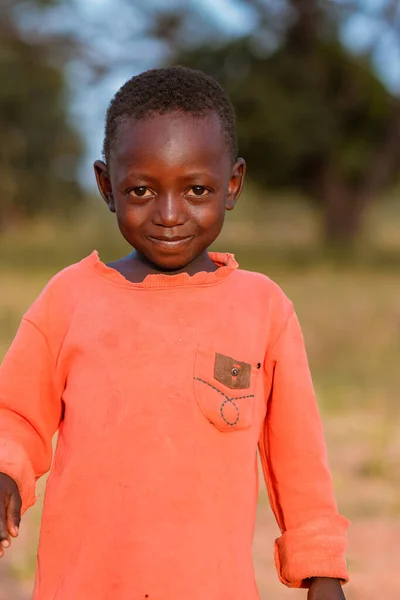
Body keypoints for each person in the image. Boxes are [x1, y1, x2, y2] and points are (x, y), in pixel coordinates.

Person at [0, 66, 349, 600]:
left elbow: (298, 462)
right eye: (141, 189)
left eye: (196, 189)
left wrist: (321, 571)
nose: (168, 214)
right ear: (105, 185)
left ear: (231, 185)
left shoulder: (262, 309)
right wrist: (5, 470)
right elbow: (17, 415)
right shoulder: (69, 300)